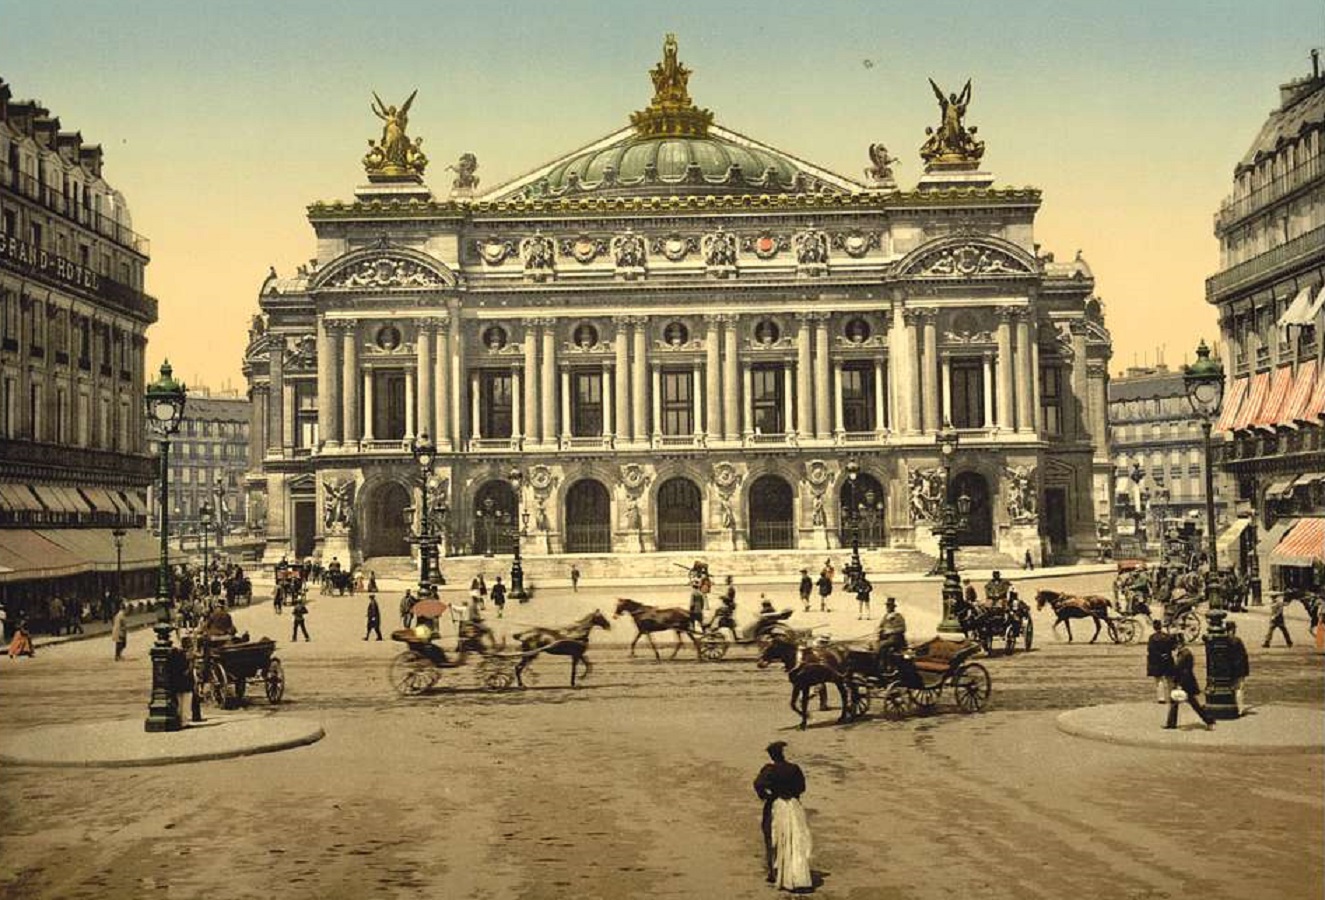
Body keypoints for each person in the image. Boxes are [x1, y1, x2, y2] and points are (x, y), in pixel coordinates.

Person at [753, 741, 813, 892]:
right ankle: (796, 873)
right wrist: (794, 795)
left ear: (772, 756)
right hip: (793, 806)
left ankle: (774, 872)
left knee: (772, 837)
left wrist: (766, 796)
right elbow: (801, 787)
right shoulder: (793, 769)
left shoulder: (770, 770)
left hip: (776, 805)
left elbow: (758, 784)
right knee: (795, 838)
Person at [1165, 644, 1215, 730]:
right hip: (1187, 681)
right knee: (1177, 702)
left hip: (1185, 682)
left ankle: (1209, 720)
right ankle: (1171, 723)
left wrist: (1178, 683)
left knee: (1193, 704)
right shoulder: (1185, 653)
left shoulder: (1183, 654)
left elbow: (1179, 669)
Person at [1145, 619, 1175, 703]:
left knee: (1158, 680)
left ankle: (1161, 698)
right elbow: (1172, 647)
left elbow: (1150, 649)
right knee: (1170, 679)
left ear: (1154, 627)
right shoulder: (1167, 636)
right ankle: (1172, 696)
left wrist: (1159, 655)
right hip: (1168, 659)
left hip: (1156, 661)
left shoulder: (1152, 637)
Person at [1226, 620, 1250, 714]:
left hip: (1229, 669)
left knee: (1231, 688)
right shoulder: (1237, 641)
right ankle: (1240, 708)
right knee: (1239, 688)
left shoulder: (1224, 641)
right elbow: (1244, 655)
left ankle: (1232, 707)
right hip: (1239, 668)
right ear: (1232, 630)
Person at [876, 597, 907, 669]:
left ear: (893, 607)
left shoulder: (898, 616)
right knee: (876, 646)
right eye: (887, 606)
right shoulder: (886, 616)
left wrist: (889, 631)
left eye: (889, 606)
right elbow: (880, 626)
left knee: (882, 645)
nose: (888, 608)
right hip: (886, 638)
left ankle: (884, 665)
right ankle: (881, 663)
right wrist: (880, 630)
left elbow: (902, 628)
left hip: (896, 638)